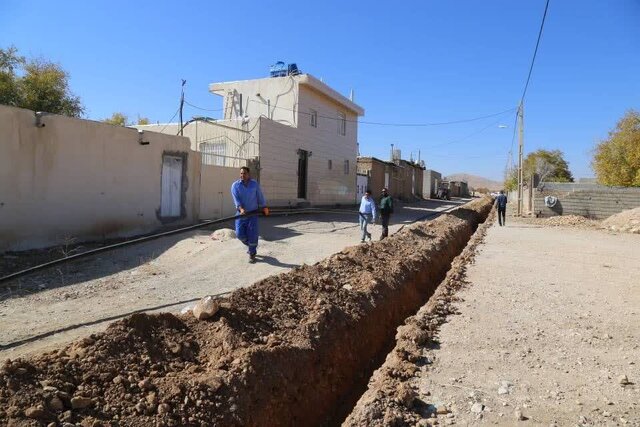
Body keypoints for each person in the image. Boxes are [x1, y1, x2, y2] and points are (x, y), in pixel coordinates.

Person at [230, 166, 268, 263]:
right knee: (239, 234)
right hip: (240, 214)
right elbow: (236, 200)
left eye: (244, 173)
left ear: (248, 174)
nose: (242, 175)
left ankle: (252, 253)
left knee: (253, 234)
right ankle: (251, 245)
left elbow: (260, 196)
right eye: (241, 173)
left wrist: (264, 206)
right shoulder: (235, 185)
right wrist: (241, 208)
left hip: (253, 214)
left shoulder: (254, 184)